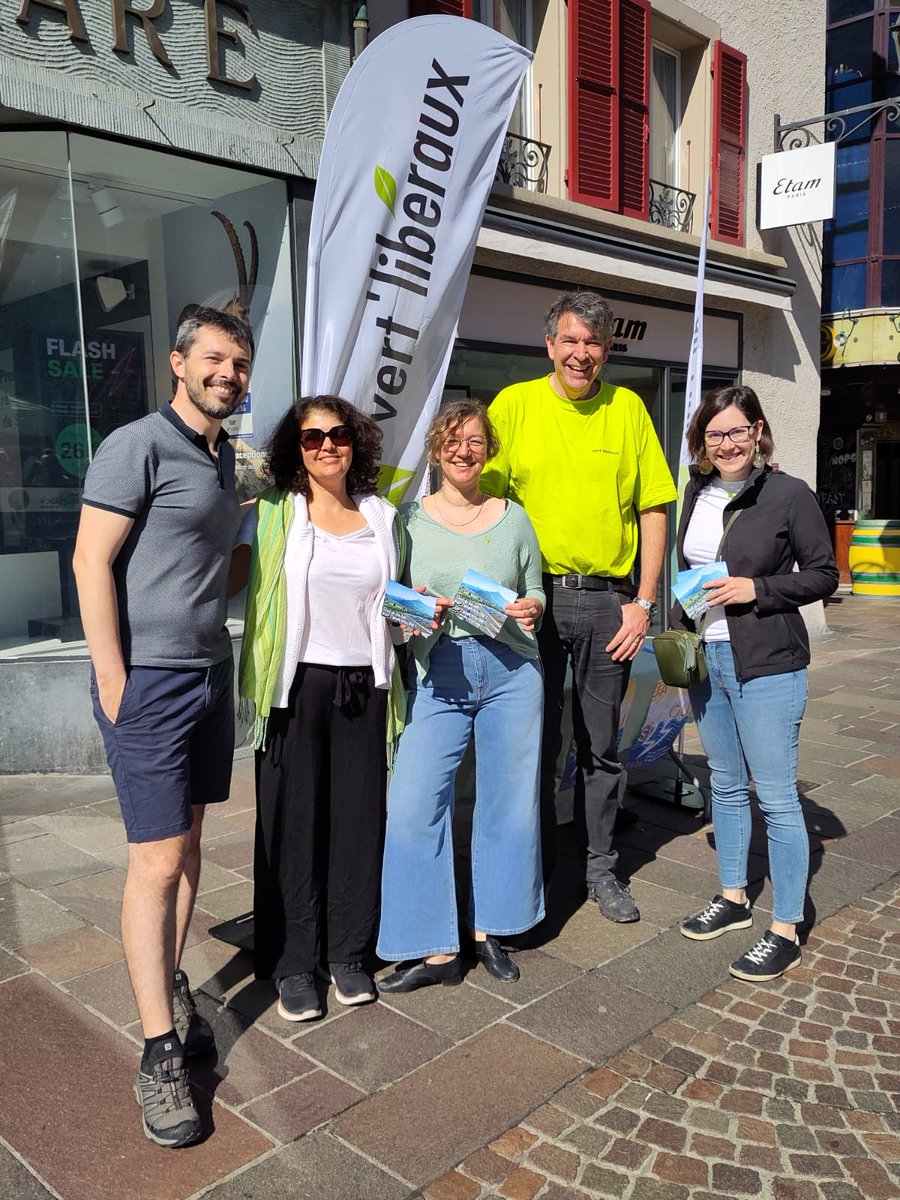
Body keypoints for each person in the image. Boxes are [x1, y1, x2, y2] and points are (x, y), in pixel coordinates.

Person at [73, 307, 253, 1148]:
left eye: (240, 362)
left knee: (187, 849)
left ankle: (171, 986)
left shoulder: (224, 462)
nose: (228, 372)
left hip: (209, 676)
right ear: (179, 363)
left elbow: (221, 559)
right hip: (148, 685)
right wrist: (114, 678)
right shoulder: (136, 443)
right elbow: (89, 559)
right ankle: (156, 1055)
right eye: (214, 358)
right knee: (152, 861)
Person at [479, 291, 677, 923]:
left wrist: (644, 603)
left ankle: (600, 870)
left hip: (606, 605)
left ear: (607, 350)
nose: (581, 353)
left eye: (593, 343)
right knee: (528, 742)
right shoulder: (515, 406)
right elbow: (487, 504)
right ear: (550, 345)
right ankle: (533, 871)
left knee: (601, 748)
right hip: (532, 604)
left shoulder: (629, 410)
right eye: (570, 340)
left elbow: (653, 510)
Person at [234, 396, 402, 1021]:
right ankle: (295, 962)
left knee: (358, 824)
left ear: (356, 442)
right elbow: (226, 577)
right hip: (293, 688)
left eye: (338, 434)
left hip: (364, 685)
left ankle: (350, 953)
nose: (327, 446)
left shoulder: (383, 516)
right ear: (294, 448)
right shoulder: (274, 513)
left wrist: (420, 616)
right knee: (292, 825)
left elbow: (394, 602)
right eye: (311, 438)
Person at [377, 400, 545, 992]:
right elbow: (388, 599)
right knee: (414, 804)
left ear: (489, 449)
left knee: (507, 805)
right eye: (452, 440)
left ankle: (491, 930)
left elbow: (533, 593)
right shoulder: (408, 520)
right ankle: (434, 946)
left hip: (510, 673)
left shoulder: (515, 518)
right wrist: (413, 606)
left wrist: (531, 609)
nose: (463, 450)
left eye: (475, 441)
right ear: (435, 449)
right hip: (438, 672)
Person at [676, 385, 838, 981]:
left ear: (759, 432)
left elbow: (825, 575)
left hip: (768, 663)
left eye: (737, 431)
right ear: (703, 442)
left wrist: (758, 590)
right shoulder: (697, 491)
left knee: (773, 793)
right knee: (723, 782)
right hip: (708, 660)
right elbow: (688, 568)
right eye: (714, 434)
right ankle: (735, 897)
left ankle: (787, 925)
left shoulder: (790, 494)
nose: (727, 443)